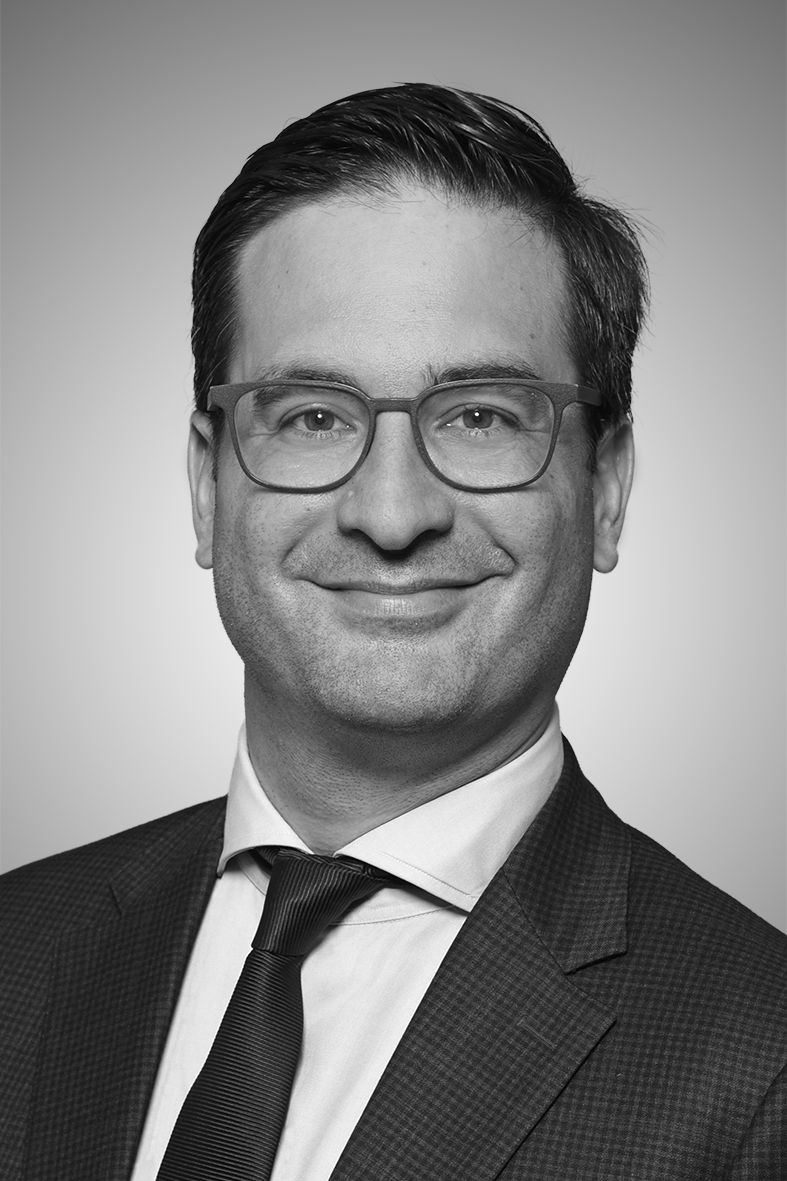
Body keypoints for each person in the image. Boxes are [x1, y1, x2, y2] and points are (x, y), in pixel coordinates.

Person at [1, 83, 785, 1181]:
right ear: (207, 484)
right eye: (313, 416)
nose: (391, 511)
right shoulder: (19, 947)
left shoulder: (759, 1060)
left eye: (481, 416)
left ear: (605, 488)